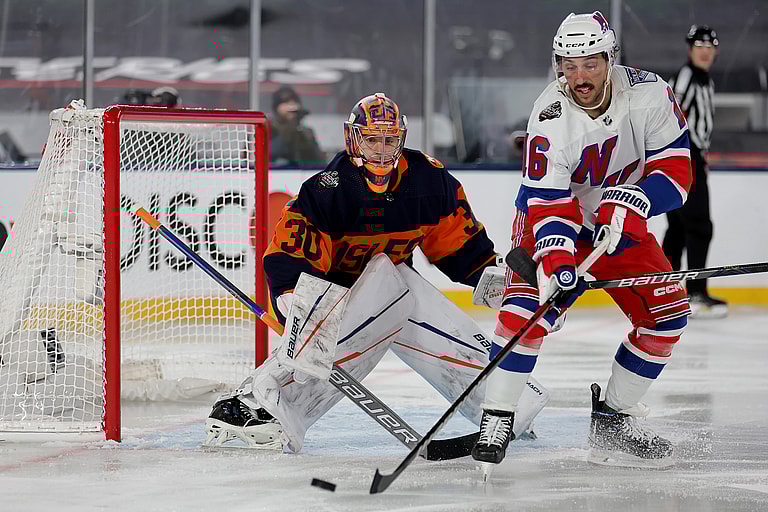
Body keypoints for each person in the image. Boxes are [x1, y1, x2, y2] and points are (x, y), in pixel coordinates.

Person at [202, 92, 550, 452]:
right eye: (372, 140)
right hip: (334, 305)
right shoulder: (328, 191)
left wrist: (492, 279)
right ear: (354, 139)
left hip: (392, 294)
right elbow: (291, 254)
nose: (382, 150)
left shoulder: (428, 182)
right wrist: (292, 298)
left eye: (390, 140)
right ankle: (257, 403)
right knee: (374, 287)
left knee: (398, 283)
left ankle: (505, 403)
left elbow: (459, 246)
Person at [471, 11, 693, 469]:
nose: (579, 77)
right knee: (526, 313)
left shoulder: (651, 94)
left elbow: (676, 170)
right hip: (552, 216)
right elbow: (549, 201)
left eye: (589, 64)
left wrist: (634, 199)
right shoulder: (549, 115)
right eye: (569, 66)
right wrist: (556, 263)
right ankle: (496, 416)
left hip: (621, 217)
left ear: (610, 58)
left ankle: (612, 423)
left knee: (667, 317)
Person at [662, 26, 727, 319]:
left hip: (691, 158)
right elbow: (670, 117)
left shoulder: (704, 80)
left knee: (679, 227)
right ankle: (695, 292)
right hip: (684, 158)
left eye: (709, 46)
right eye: (699, 45)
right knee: (699, 226)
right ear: (690, 49)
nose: (705, 51)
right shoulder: (687, 78)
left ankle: (665, 287)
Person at [270, 85, 325, 165]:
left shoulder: (306, 131)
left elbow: (318, 160)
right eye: (285, 102)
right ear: (276, 107)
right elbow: (271, 154)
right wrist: (291, 127)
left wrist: (302, 133)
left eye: (294, 102)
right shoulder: (267, 129)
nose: (291, 106)